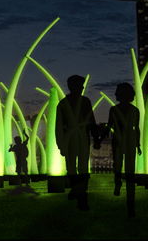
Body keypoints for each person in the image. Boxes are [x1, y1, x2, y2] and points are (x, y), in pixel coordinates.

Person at [55, 75, 100, 211]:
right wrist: (96, 139)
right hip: (75, 140)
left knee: (78, 168)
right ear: (72, 86)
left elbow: (91, 121)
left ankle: (81, 196)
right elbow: (59, 126)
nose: (82, 88)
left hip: (78, 140)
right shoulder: (66, 103)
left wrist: (96, 139)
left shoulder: (76, 102)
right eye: (80, 85)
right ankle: (78, 192)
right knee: (75, 169)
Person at [100, 82, 141, 218]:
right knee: (123, 169)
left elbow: (109, 127)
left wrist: (138, 144)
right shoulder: (131, 110)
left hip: (121, 141)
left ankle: (130, 204)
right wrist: (138, 144)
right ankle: (119, 183)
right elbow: (110, 126)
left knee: (122, 168)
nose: (116, 94)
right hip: (126, 141)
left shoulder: (119, 110)